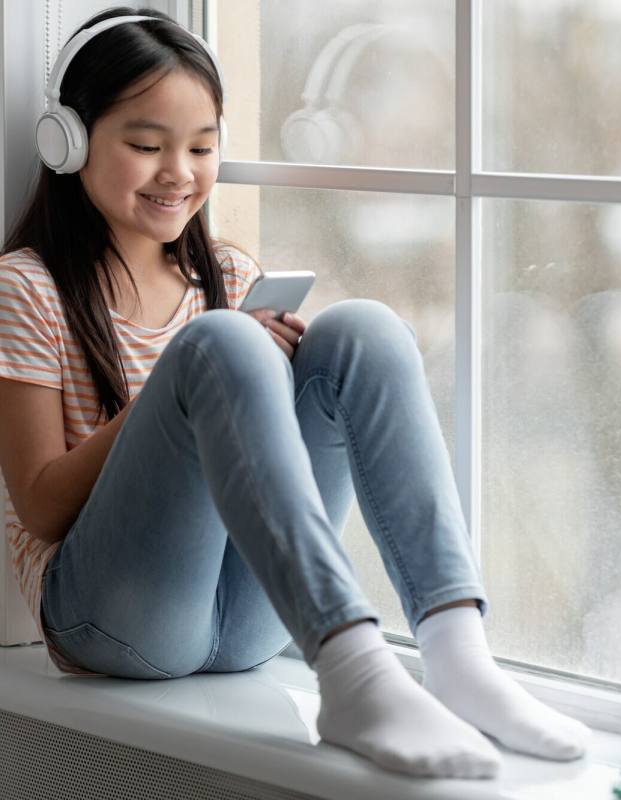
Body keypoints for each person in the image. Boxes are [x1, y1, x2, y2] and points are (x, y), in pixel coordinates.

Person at [0, 5, 591, 781]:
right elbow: (40, 506)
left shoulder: (230, 277)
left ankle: (455, 654)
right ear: (67, 140)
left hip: (247, 623)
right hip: (107, 621)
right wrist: (174, 381)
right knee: (220, 341)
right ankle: (354, 673)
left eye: (202, 147)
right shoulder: (26, 287)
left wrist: (267, 373)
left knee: (363, 331)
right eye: (147, 145)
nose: (179, 171)